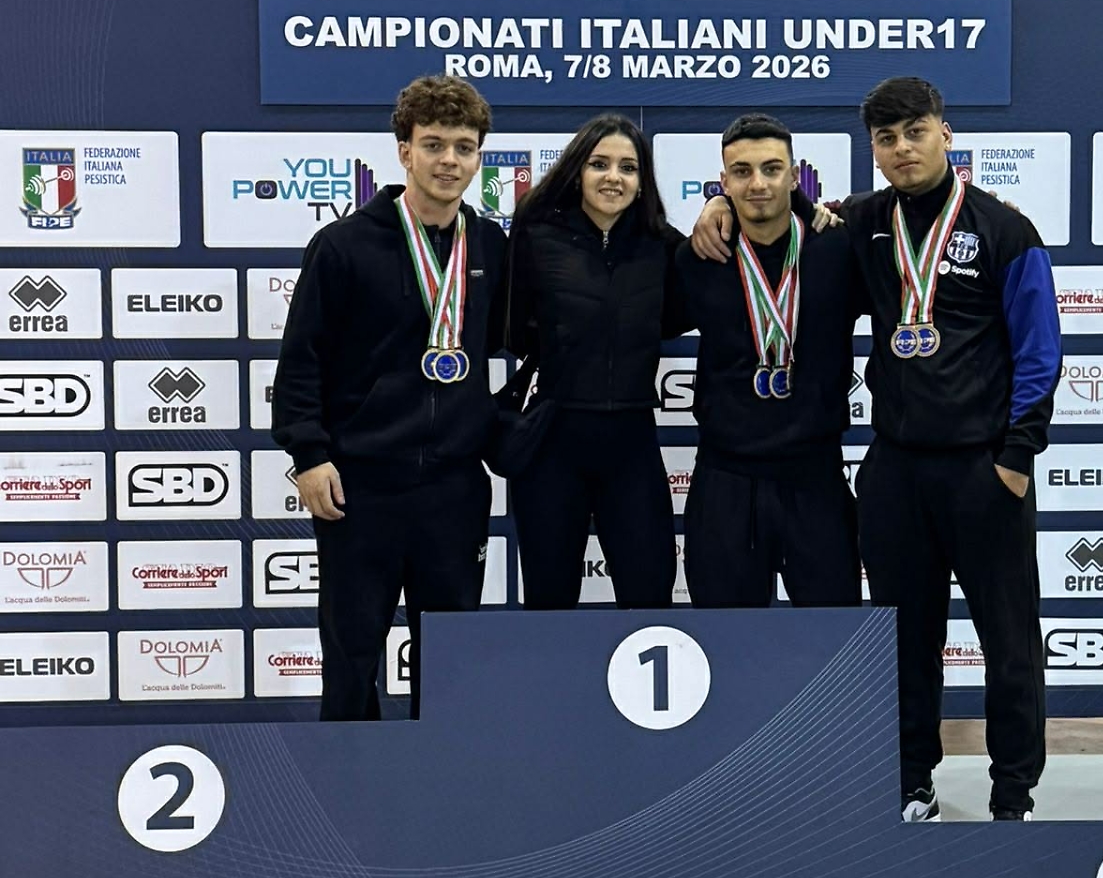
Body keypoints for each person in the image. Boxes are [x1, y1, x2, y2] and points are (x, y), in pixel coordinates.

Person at [694, 76, 1061, 822]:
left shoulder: (1005, 230)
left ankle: (1012, 794)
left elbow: (1040, 350)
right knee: (904, 640)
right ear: (873, 149)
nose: (902, 149)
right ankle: (910, 782)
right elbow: (779, 207)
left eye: (915, 133)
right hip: (895, 470)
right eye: (886, 139)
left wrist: (1017, 458)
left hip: (983, 469)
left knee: (1009, 642)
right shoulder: (858, 224)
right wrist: (716, 204)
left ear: (945, 134)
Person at [272, 76, 506, 721]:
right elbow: (301, 361)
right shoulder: (343, 244)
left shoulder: (491, 246)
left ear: (478, 157)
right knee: (351, 656)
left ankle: (445, 777)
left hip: (454, 487)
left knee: (451, 663)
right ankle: (349, 778)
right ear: (404, 151)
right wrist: (309, 454)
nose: (449, 161)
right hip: (360, 486)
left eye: (464, 148)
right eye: (433, 145)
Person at [674, 113, 863, 607]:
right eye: (742, 172)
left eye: (772, 169)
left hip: (816, 477)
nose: (757, 183)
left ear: (794, 175)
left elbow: (906, 227)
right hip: (726, 480)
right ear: (724, 180)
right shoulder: (699, 256)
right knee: (725, 641)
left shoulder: (837, 248)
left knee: (831, 639)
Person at [504, 114, 688, 610]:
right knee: (549, 605)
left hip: (632, 444)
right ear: (576, 171)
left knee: (649, 600)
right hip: (552, 443)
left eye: (628, 167)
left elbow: (675, 316)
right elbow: (512, 326)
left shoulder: (662, 245)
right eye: (599, 164)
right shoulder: (536, 235)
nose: (614, 177)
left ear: (642, 180)